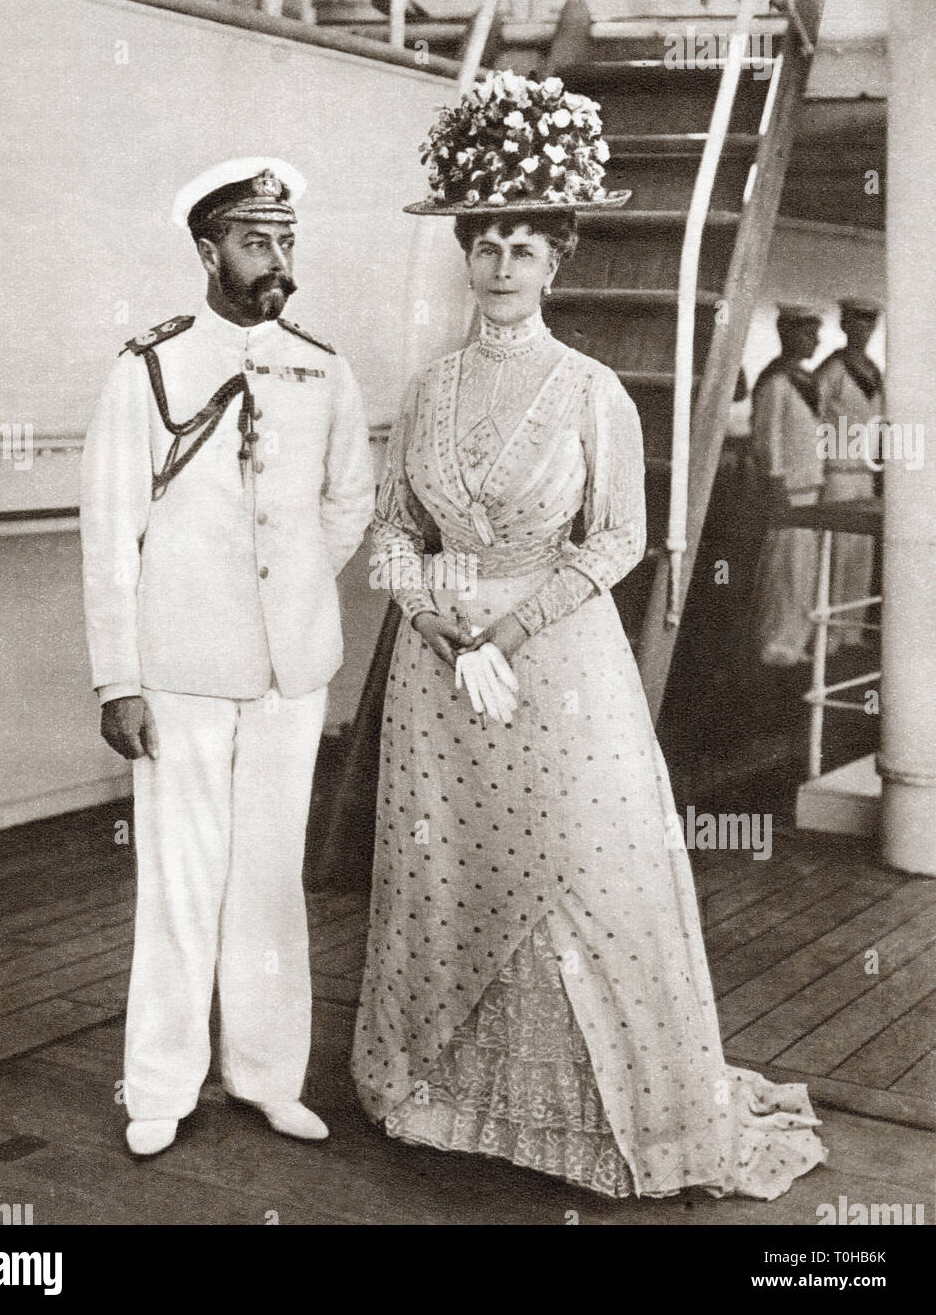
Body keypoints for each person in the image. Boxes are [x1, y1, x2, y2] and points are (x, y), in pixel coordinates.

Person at [351, 71, 826, 1200]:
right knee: (446, 870)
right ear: (465, 255)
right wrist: (436, 619)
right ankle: (444, 1097)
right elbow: (386, 532)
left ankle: (608, 1116)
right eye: (486, 245)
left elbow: (617, 541)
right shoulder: (424, 391)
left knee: (578, 872)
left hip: (554, 668)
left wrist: (504, 629)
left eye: (524, 246)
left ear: (557, 262)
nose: (502, 265)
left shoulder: (591, 390)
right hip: (438, 672)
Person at [80, 157, 375, 1156]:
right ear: (208, 251)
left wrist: (291, 584)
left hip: (290, 671)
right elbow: (109, 530)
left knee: (267, 879)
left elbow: (348, 498)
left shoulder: (323, 367)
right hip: (180, 669)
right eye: (255, 242)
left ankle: (264, 1075)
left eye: (284, 240)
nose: (275, 259)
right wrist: (119, 677)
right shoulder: (149, 367)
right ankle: (159, 1085)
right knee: (179, 880)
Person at [750, 305, 825, 666]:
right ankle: (777, 643)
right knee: (784, 568)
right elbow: (767, 439)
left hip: (807, 486)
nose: (815, 340)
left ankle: (796, 639)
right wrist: (776, 482)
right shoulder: (777, 381)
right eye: (808, 333)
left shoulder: (804, 379)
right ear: (788, 334)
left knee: (802, 568)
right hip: (788, 489)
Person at [815, 298, 884, 651]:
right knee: (835, 553)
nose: (863, 330)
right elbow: (814, 418)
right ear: (844, 325)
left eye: (869, 323)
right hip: (838, 472)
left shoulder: (873, 370)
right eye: (857, 322)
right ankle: (826, 634)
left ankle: (851, 631)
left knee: (860, 555)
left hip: (864, 472)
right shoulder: (833, 369)